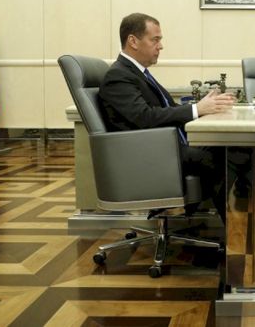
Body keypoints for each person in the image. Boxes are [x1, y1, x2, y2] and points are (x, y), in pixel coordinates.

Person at [99, 12, 235, 220]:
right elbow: (144, 116)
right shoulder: (118, 76)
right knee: (221, 158)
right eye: (155, 40)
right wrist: (197, 109)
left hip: (163, 146)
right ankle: (237, 232)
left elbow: (167, 108)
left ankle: (242, 226)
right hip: (150, 154)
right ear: (133, 41)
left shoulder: (137, 72)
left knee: (228, 147)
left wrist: (205, 107)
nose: (160, 46)